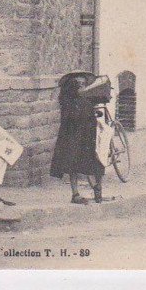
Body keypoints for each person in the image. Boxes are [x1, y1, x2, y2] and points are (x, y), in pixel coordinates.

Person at [50, 72, 106, 204]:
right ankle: (75, 194)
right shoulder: (68, 100)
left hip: (88, 136)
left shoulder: (87, 98)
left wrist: (93, 113)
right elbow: (70, 117)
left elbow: (89, 112)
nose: (81, 86)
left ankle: (97, 187)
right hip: (73, 136)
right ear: (72, 86)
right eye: (78, 84)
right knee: (73, 164)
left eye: (83, 84)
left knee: (96, 161)